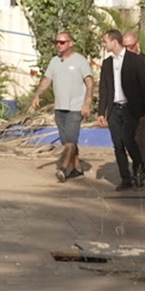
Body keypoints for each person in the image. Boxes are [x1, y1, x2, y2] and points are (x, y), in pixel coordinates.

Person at [97, 29, 145, 190]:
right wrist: (101, 112)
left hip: (130, 108)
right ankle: (125, 178)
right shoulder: (107, 63)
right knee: (117, 144)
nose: (104, 45)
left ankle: (139, 170)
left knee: (129, 140)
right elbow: (104, 88)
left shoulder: (135, 61)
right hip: (114, 109)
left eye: (105, 41)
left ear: (114, 41)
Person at [27, 31, 93, 182]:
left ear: (71, 43)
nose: (58, 45)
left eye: (62, 42)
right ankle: (77, 168)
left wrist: (87, 103)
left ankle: (63, 169)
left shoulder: (80, 61)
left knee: (70, 141)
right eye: (56, 42)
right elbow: (46, 80)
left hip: (75, 107)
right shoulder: (54, 61)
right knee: (68, 140)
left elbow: (89, 82)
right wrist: (37, 95)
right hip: (60, 107)